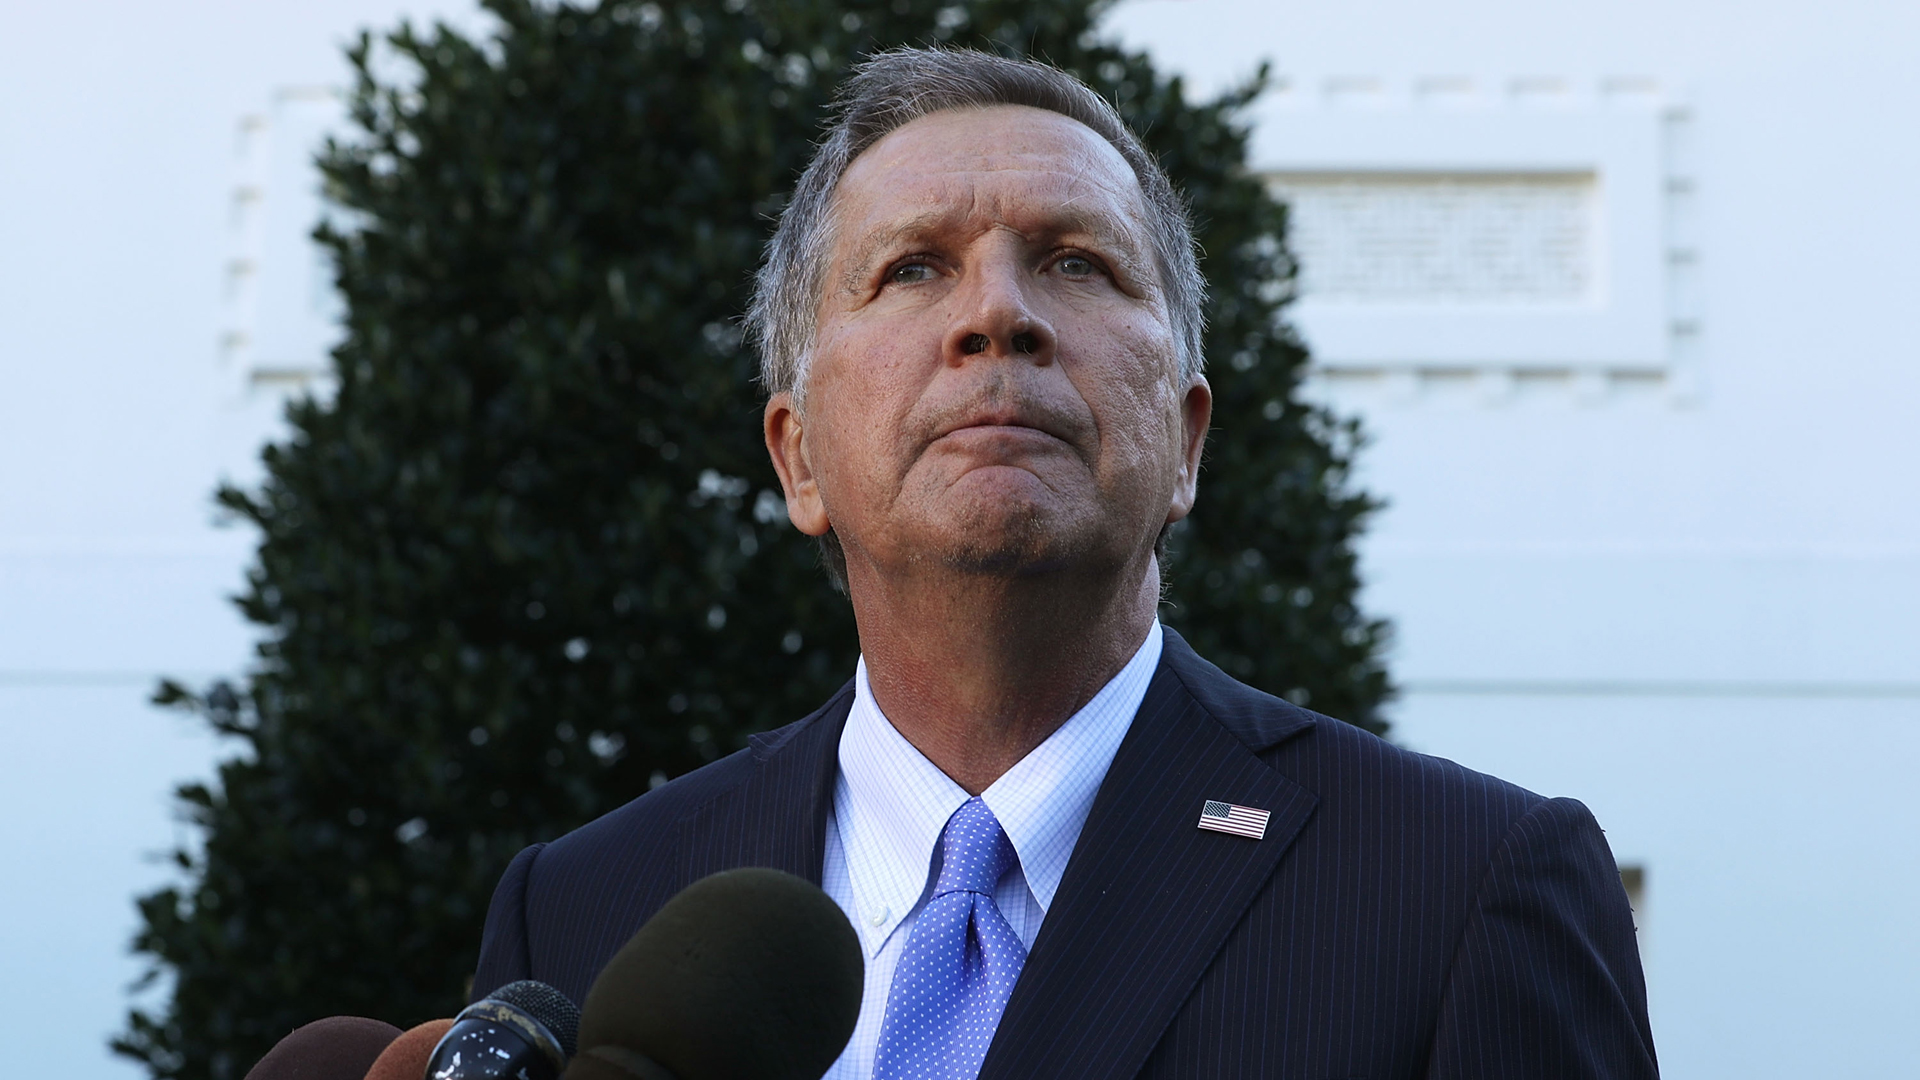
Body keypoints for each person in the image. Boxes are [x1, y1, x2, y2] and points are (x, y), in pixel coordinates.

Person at [472, 47, 1658, 1080]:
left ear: (1187, 443)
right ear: (798, 462)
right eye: (913, 269)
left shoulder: (1458, 891)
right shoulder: (583, 912)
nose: (997, 314)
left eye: (1076, 262)